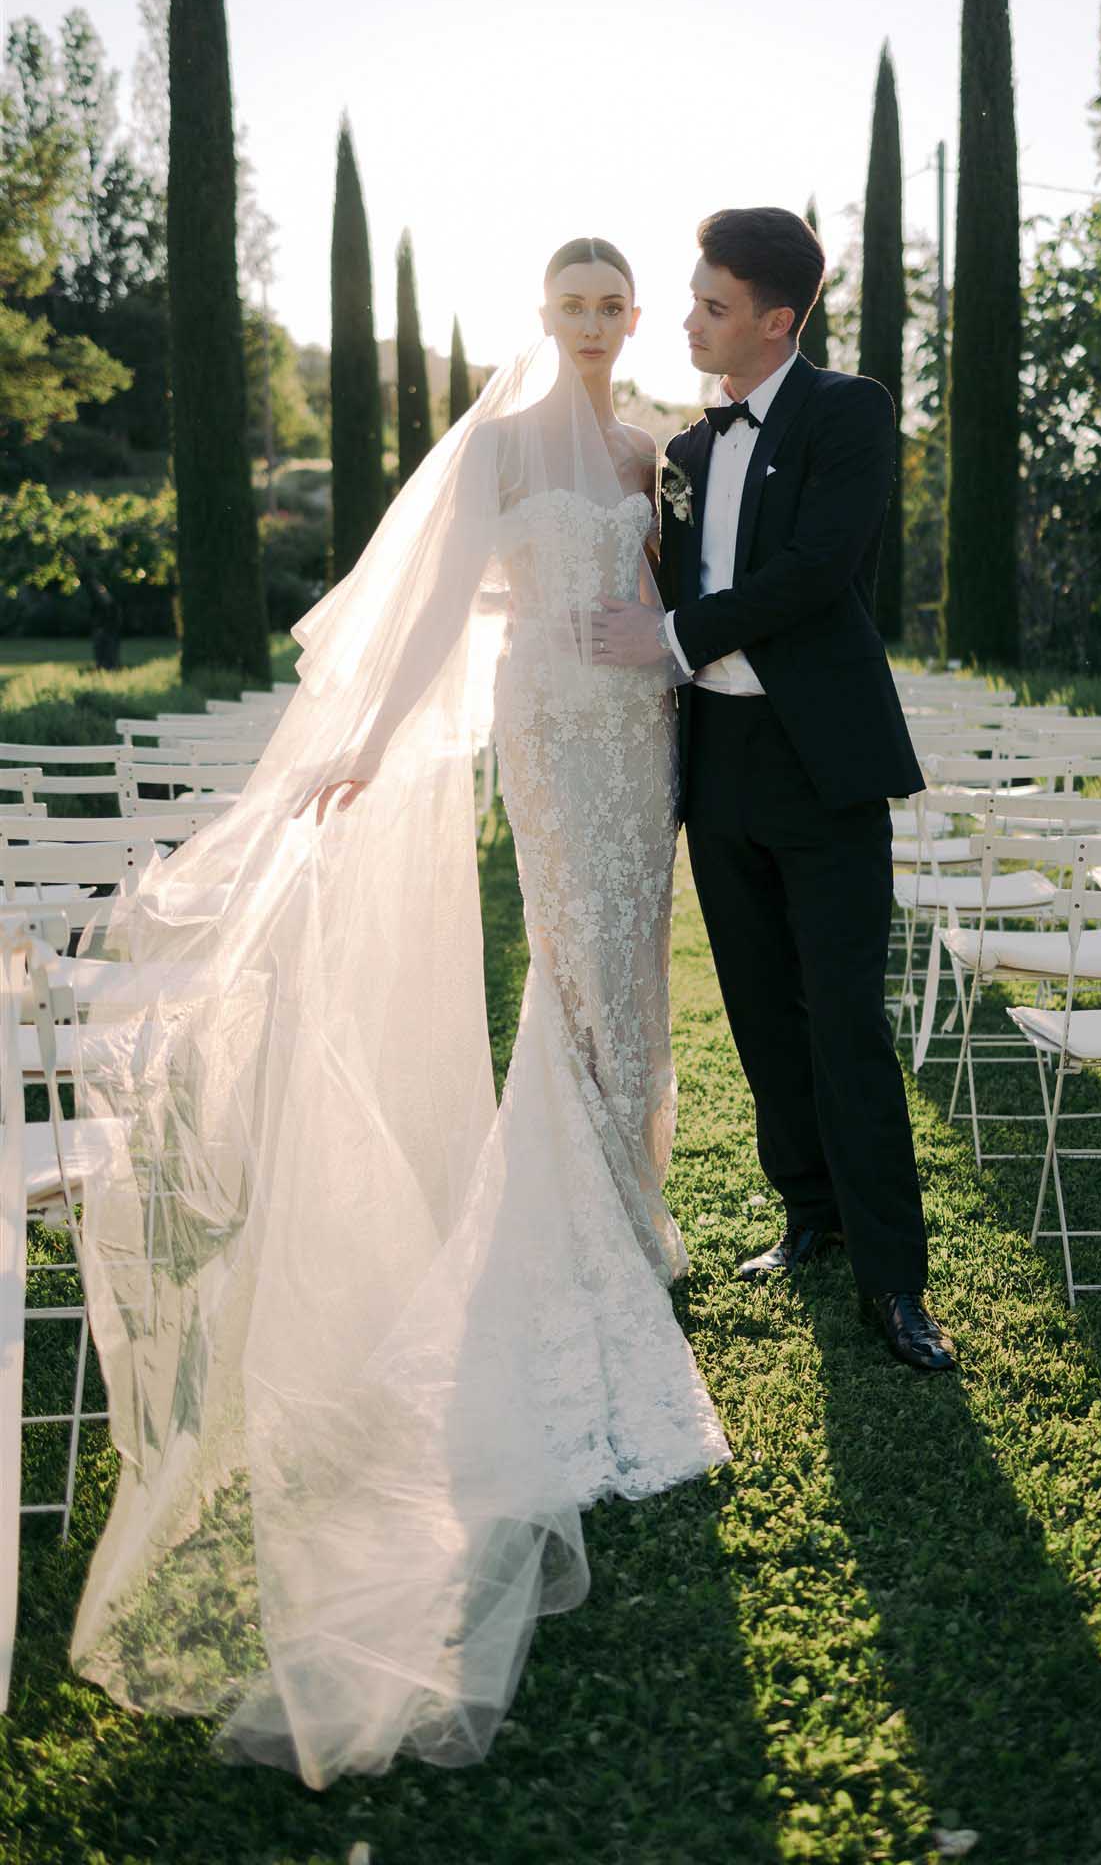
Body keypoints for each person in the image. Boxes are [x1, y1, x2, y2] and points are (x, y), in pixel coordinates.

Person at [67, 240, 729, 1792]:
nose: (588, 323)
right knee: (570, 963)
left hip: (641, 727)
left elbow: (658, 599)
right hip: (549, 736)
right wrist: (361, 740)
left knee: (629, 969)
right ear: (542, 315)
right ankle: (602, 1223)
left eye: (608, 304)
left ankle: (637, 1210)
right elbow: (436, 611)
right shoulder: (499, 449)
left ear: (630, 319)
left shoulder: (647, 449)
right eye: (568, 303)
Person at [592, 207, 956, 1374]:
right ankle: (810, 1213)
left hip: (824, 762)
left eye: (710, 305)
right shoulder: (688, 453)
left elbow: (818, 572)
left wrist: (668, 632)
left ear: (777, 320)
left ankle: (896, 1283)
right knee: (758, 1009)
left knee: (846, 1019)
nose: (691, 319)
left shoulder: (852, 411)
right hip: (723, 764)